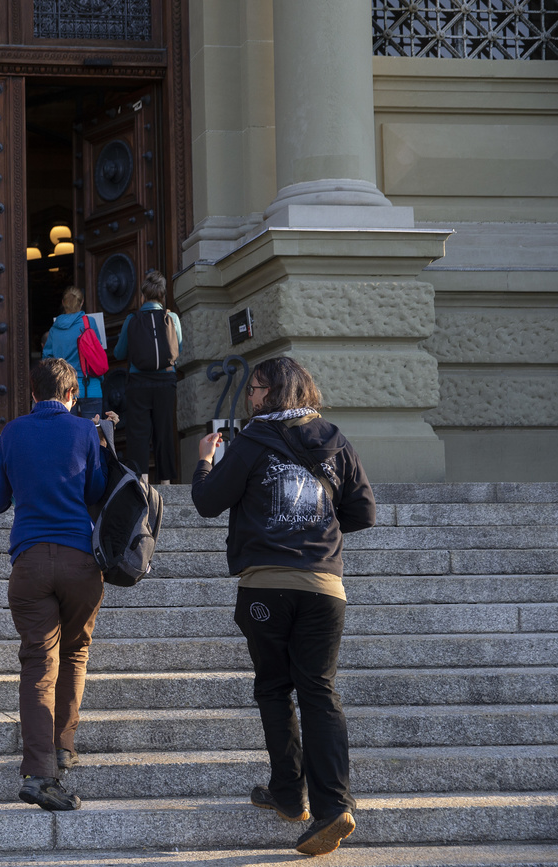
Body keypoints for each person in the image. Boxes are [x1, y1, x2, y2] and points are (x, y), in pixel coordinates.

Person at [190, 357, 376, 857]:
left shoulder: (252, 441)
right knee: (319, 690)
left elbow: (208, 501)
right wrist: (316, 532)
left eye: (255, 390)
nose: (250, 398)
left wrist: (205, 459)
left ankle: (291, 795)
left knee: (275, 688)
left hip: (266, 586)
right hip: (324, 588)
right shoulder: (336, 439)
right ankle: (334, 805)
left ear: (272, 393)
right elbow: (363, 512)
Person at [0, 358, 109, 812]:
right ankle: (63, 745)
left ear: (33, 394)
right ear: (72, 395)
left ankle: (40, 772)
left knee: (39, 663)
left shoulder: (14, 432)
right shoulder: (83, 431)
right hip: (80, 560)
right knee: (75, 651)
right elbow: (96, 491)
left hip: (31, 561)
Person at [112, 270, 183, 482]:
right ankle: (166, 482)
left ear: (143, 296)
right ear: (162, 295)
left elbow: (119, 353)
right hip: (166, 382)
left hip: (138, 383)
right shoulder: (172, 318)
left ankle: (141, 481)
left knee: (138, 434)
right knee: (165, 431)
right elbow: (177, 347)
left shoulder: (132, 319)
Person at [41, 286, 104, 420]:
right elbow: (97, 355)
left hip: (65, 390)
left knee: (70, 434)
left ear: (63, 303)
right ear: (81, 303)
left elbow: (47, 360)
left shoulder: (54, 329)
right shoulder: (89, 323)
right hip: (90, 387)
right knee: (94, 432)